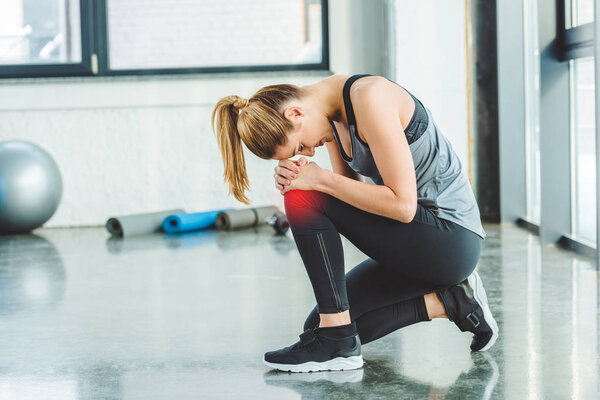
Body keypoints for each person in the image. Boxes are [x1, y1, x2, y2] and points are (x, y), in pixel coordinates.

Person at [211, 73, 499, 373]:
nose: (309, 153)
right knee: (319, 326)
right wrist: (306, 178)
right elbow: (350, 195)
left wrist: (316, 179)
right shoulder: (330, 115)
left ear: (295, 113)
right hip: (418, 243)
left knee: (304, 196)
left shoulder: (370, 97)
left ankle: (337, 340)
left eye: (299, 146)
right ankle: (452, 302)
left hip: (450, 239)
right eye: (300, 153)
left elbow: (402, 206)